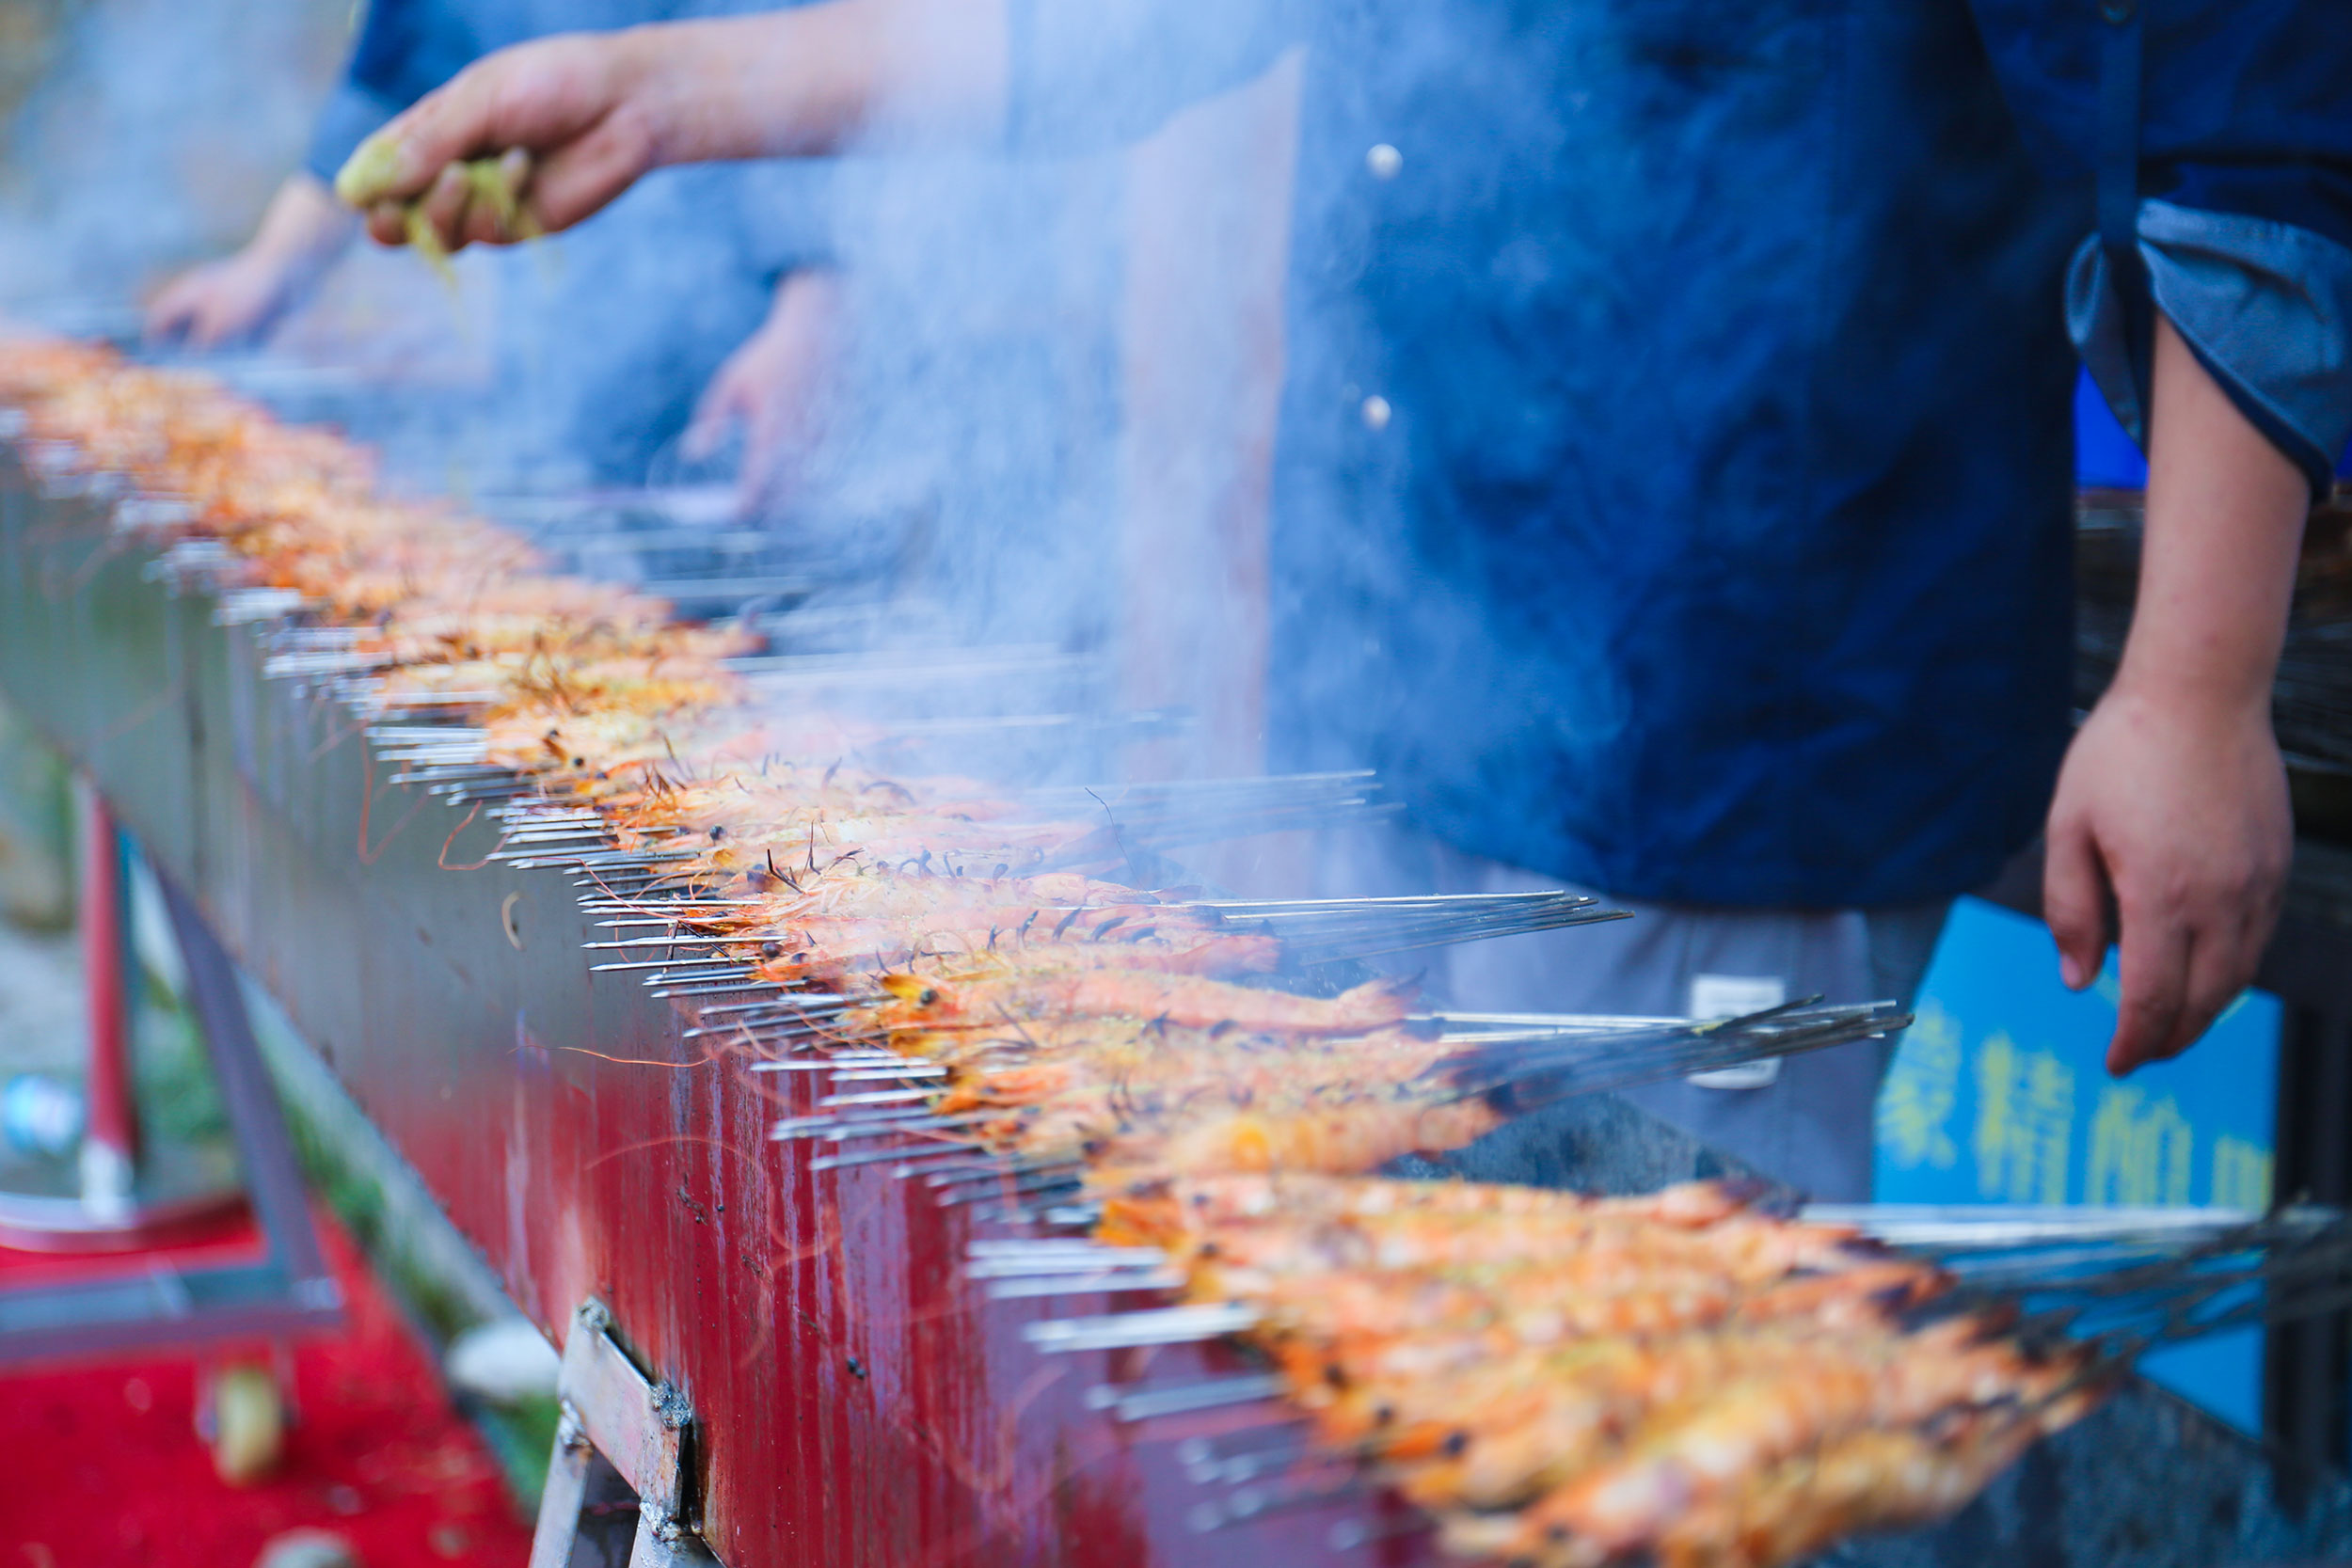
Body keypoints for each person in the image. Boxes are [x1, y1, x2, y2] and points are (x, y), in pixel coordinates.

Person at [332, 0, 2350, 1197]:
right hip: (1414, 673)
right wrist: (674, 89)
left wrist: (2190, 682)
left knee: (1612, 1428)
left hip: (1732, 720)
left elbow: (2232, 96)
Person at [145, 0, 839, 498]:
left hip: (775, 348)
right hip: (576, 346)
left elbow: (893, 54)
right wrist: (274, 264)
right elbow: (413, 44)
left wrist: (818, 303)